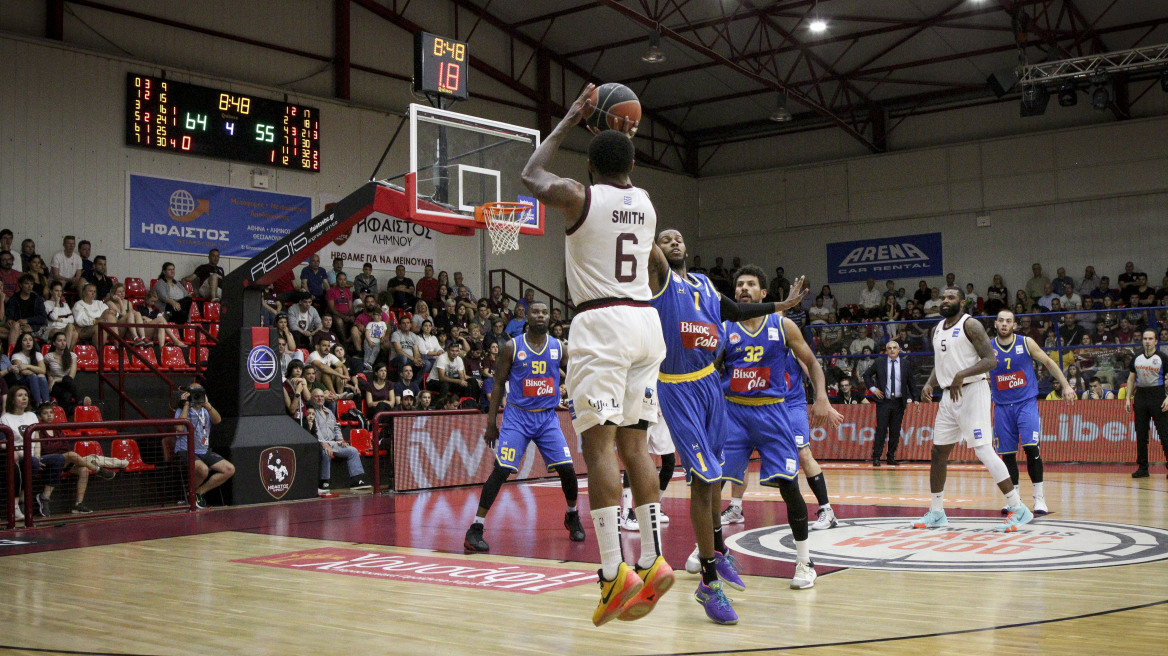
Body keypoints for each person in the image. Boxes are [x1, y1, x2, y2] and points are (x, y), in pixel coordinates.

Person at [521, 86, 673, 626]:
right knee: (637, 448)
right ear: (632, 159)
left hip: (601, 324)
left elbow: (530, 174)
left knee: (599, 448)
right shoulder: (648, 205)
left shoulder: (580, 197)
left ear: (588, 165)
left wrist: (571, 116)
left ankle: (613, 574)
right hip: (645, 322)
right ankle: (653, 560)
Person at [714, 264, 840, 593]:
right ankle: (713, 553)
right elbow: (710, 373)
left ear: (763, 293)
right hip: (734, 415)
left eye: (750, 285)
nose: (743, 289)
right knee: (712, 485)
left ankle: (804, 561)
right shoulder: (725, 328)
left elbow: (812, 362)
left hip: (772, 413)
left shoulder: (782, 325)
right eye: (739, 284)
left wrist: (822, 396)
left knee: (789, 486)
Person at [464, 302, 585, 552]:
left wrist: (570, 390)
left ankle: (572, 515)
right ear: (526, 317)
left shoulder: (558, 347)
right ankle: (475, 528)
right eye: (535, 312)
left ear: (550, 318)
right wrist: (491, 423)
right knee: (501, 470)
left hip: (547, 418)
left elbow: (576, 372)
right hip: (517, 417)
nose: (540, 315)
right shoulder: (512, 346)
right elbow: (498, 383)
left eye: (544, 312)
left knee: (568, 470)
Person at [915, 287, 1033, 532]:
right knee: (938, 452)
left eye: (951, 298)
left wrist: (961, 374)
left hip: (972, 390)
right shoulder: (937, 328)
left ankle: (1018, 507)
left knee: (983, 450)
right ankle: (937, 512)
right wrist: (929, 382)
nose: (945, 301)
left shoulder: (972, 325)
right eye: (943, 297)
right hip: (948, 395)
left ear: (963, 302)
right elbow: (941, 363)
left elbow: (991, 360)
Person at [989, 310, 1075, 515]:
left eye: (1008, 321)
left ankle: (1039, 498)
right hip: (1001, 406)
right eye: (1000, 320)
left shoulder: (1026, 343)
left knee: (1031, 449)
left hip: (1025, 403)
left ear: (1014, 325)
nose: (1004, 324)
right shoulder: (988, 346)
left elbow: (1048, 362)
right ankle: (1014, 499)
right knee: (1007, 455)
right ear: (995, 323)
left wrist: (1065, 385)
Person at [31, 401, 114, 516]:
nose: (49, 415)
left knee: (84, 470)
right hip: (49, 462)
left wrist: (56, 446)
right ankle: (98, 470)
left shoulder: (57, 429)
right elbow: (46, 450)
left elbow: (65, 445)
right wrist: (58, 446)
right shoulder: (38, 430)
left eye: (51, 412)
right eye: (45, 413)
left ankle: (78, 504)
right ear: (40, 416)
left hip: (63, 461)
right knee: (71, 454)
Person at [173, 384, 234, 509]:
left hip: (204, 450)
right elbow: (179, 428)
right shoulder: (181, 410)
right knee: (203, 469)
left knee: (229, 469)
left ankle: (197, 493)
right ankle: (191, 495)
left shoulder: (205, 410)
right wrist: (185, 405)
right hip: (186, 450)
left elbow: (217, 420)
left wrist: (207, 405)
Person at [864, 340, 916, 466]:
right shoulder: (879, 362)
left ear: (899, 350)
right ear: (886, 350)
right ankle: (876, 457)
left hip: (899, 402)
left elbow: (911, 382)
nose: (892, 350)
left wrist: (916, 398)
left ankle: (891, 457)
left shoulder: (905, 364)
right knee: (881, 429)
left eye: (894, 348)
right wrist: (873, 389)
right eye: (889, 348)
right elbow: (866, 375)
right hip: (884, 402)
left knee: (895, 431)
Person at [309, 388, 370, 494]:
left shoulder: (329, 412)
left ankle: (356, 480)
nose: (320, 398)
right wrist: (323, 444)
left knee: (353, 451)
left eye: (322, 396)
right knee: (325, 452)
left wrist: (340, 439)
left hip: (333, 443)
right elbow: (316, 430)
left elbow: (336, 427)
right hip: (319, 443)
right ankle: (324, 482)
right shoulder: (312, 412)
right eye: (317, 396)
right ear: (312, 398)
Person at [1125, 329, 1168, 479]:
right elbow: (1131, 379)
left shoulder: (1163, 358)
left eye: (1150, 339)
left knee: (1165, 433)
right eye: (1145, 338)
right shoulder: (1137, 358)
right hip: (1141, 396)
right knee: (1141, 434)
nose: (1147, 341)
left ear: (1156, 341)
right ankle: (1143, 467)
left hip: (1158, 395)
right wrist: (1127, 398)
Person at [43, 331, 82, 415]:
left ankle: (78, 403)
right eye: (60, 341)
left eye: (64, 340)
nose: (63, 343)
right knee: (66, 394)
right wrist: (51, 380)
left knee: (67, 384)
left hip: (67, 383)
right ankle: (80, 402)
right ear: (54, 343)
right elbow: (47, 373)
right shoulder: (48, 357)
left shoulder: (72, 356)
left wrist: (56, 379)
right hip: (54, 386)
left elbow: (71, 376)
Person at [6, 274, 48, 349]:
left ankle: (13, 354)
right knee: (15, 327)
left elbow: (42, 317)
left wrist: (27, 321)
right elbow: (10, 316)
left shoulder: (37, 298)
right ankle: (13, 354)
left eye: (31, 284)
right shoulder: (14, 298)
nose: (29, 286)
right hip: (18, 327)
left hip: (35, 327)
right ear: (20, 285)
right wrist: (10, 321)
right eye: (26, 283)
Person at [10, 332, 50, 404]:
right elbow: (23, 372)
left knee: (41, 376)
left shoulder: (38, 354)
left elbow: (43, 370)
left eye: (30, 340)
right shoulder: (16, 355)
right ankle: (38, 403)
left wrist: (27, 366)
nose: (28, 342)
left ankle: (47, 402)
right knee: (33, 376)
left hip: (35, 380)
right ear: (20, 343)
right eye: (25, 340)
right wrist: (36, 370)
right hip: (21, 381)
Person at [43, 280, 78, 351]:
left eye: (60, 291)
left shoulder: (65, 305)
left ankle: (67, 352)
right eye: (56, 291)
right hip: (52, 328)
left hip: (65, 328)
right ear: (51, 291)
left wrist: (61, 320)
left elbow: (71, 320)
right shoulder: (46, 303)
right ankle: (66, 352)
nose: (59, 293)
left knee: (75, 333)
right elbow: (53, 317)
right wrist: (56, 303)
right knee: (70, 327)